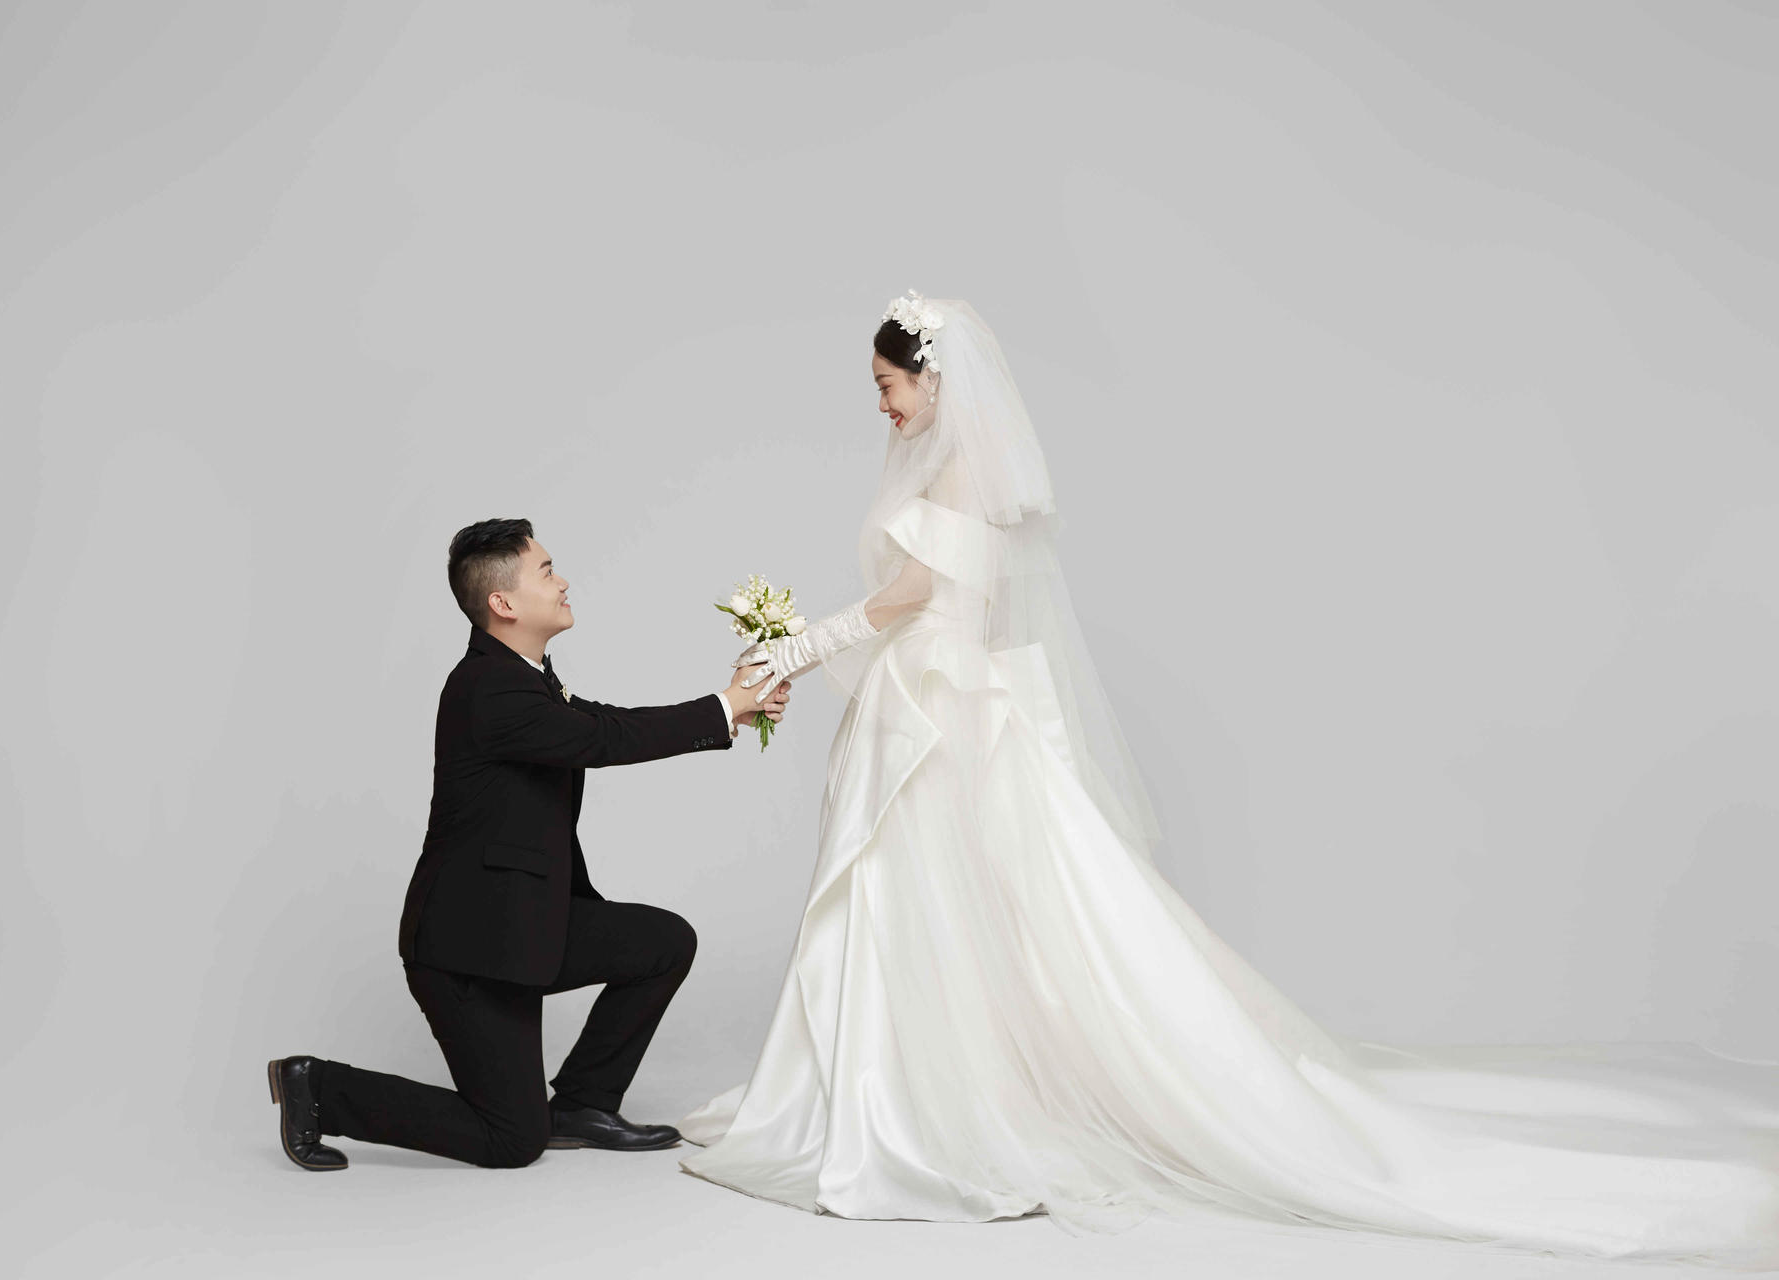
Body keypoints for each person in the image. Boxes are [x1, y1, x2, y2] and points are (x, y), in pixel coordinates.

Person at [674, 291, 1779, 1267]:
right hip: (931, 701)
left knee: (956, 902)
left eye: (886, 385)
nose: (880, 406)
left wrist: (800, 646)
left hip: (938, 712)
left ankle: (938, 1109)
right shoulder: (943, 465)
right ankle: (904, 1090)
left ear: (931, 380)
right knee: (928, 905)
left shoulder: (961, 468)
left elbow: (919, 592)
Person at [266, 518, 791, 1171]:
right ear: (503, 603)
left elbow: (601, 721)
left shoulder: (527, 677)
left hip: (522, 925)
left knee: (662, 943)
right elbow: (602, 742)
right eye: (546, 571)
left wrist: (733, 710)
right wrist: (723, 705)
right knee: (511, 1140)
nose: (563, 580)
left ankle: (582, 1106)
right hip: (468, 950)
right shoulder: (486, 687)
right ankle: (318, 1088)